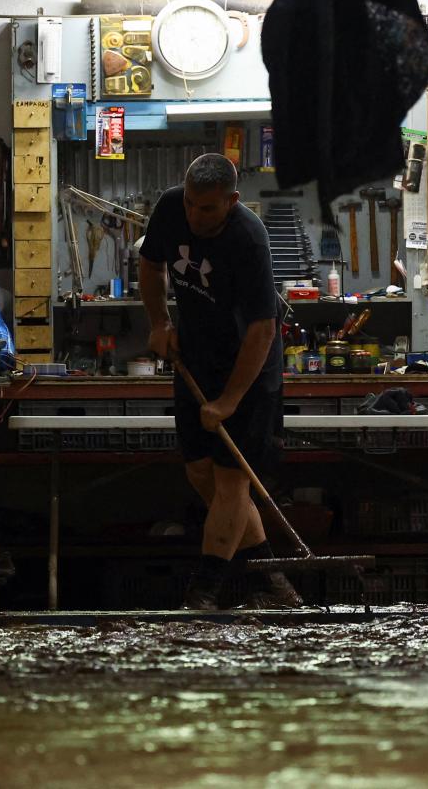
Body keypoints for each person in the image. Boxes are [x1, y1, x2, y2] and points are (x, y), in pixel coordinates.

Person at [138, 153, 301, 610]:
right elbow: (150, 265)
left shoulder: (250, 239)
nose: (194, 216)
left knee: (232, 481)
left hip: (248, 368)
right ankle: (270, 577)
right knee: (200, 472)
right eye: (191, 203)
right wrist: (157, 323)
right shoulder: (171, 208)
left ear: (231, 201)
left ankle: (204, 592)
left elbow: (263, 330)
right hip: (196, 355)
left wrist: (230, 400)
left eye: (207, 208)